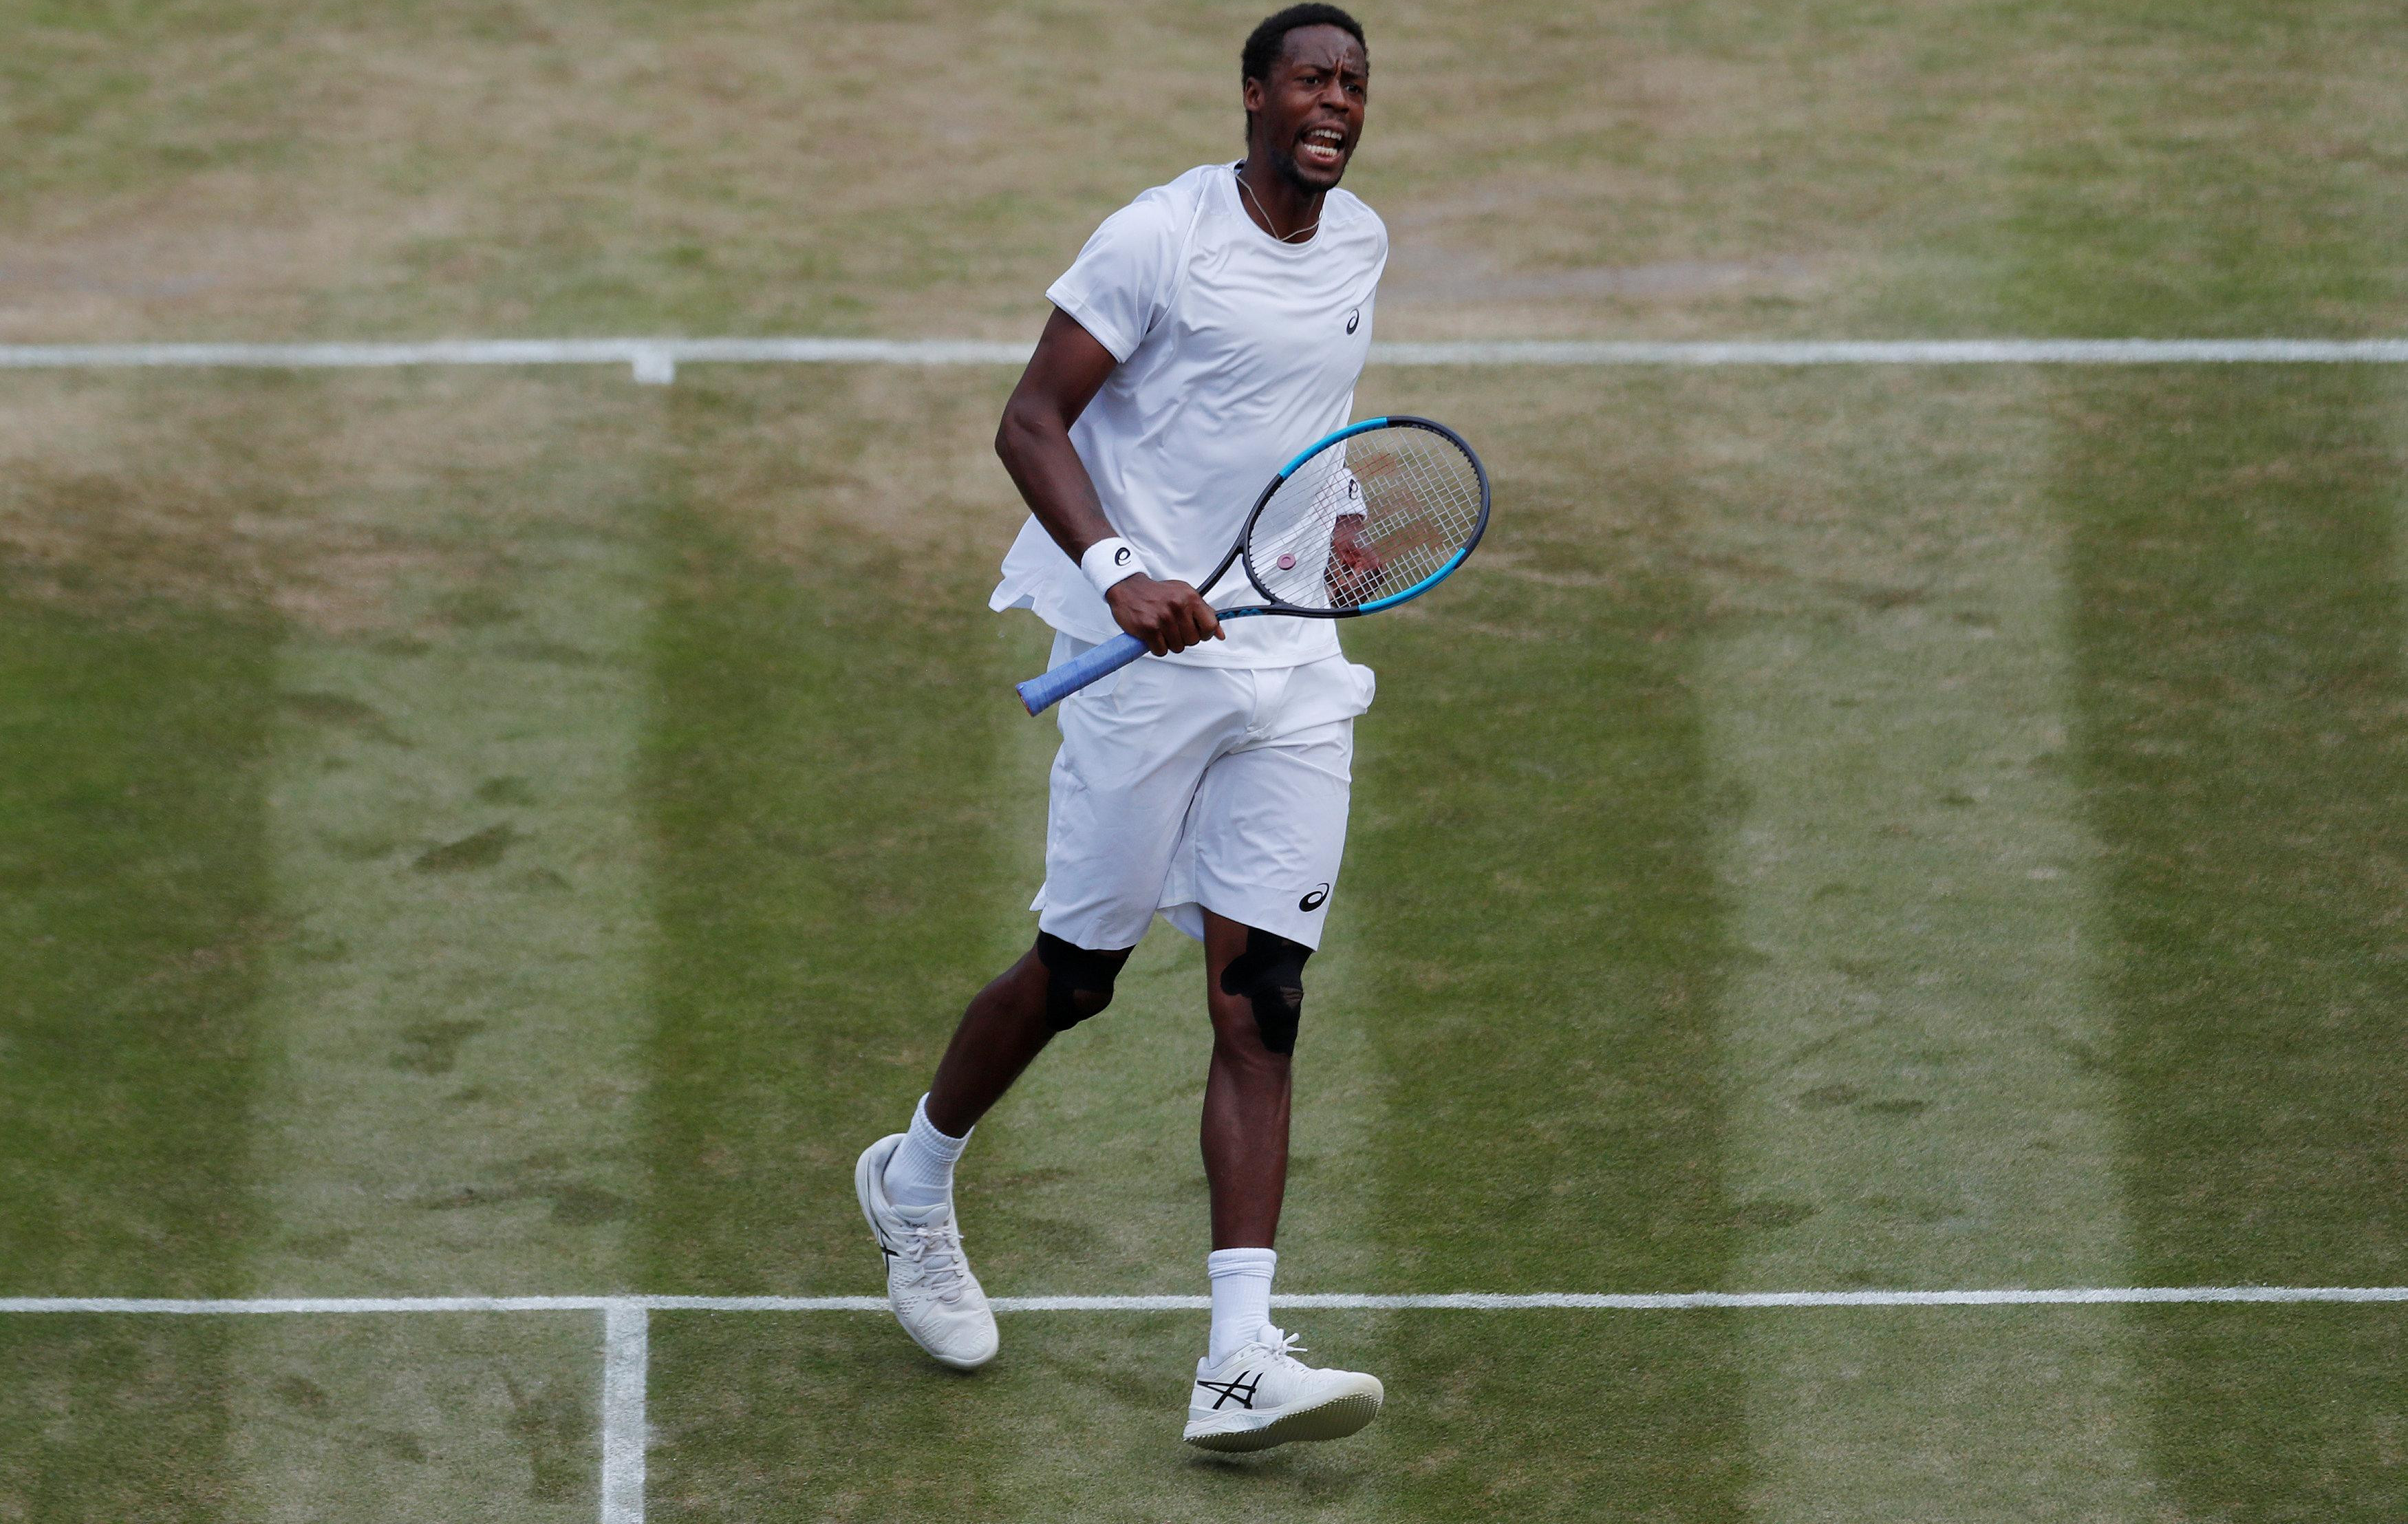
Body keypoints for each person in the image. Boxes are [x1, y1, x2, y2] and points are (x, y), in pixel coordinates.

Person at [856, 3, 1388, 1453]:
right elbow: (1031, 420)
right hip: (1143, 664)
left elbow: (1310, 419)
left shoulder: (1360, 243)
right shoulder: (1158, 239)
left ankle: (1237, 1360)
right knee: (1079, 974)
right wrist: (1118, 573)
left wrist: (1339, 525)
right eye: (1309, 80)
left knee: (1262, 999)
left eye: (1353, 84)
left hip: (1291, 663)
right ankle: (913, 1180)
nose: (1334, 104)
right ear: (1252, 96)